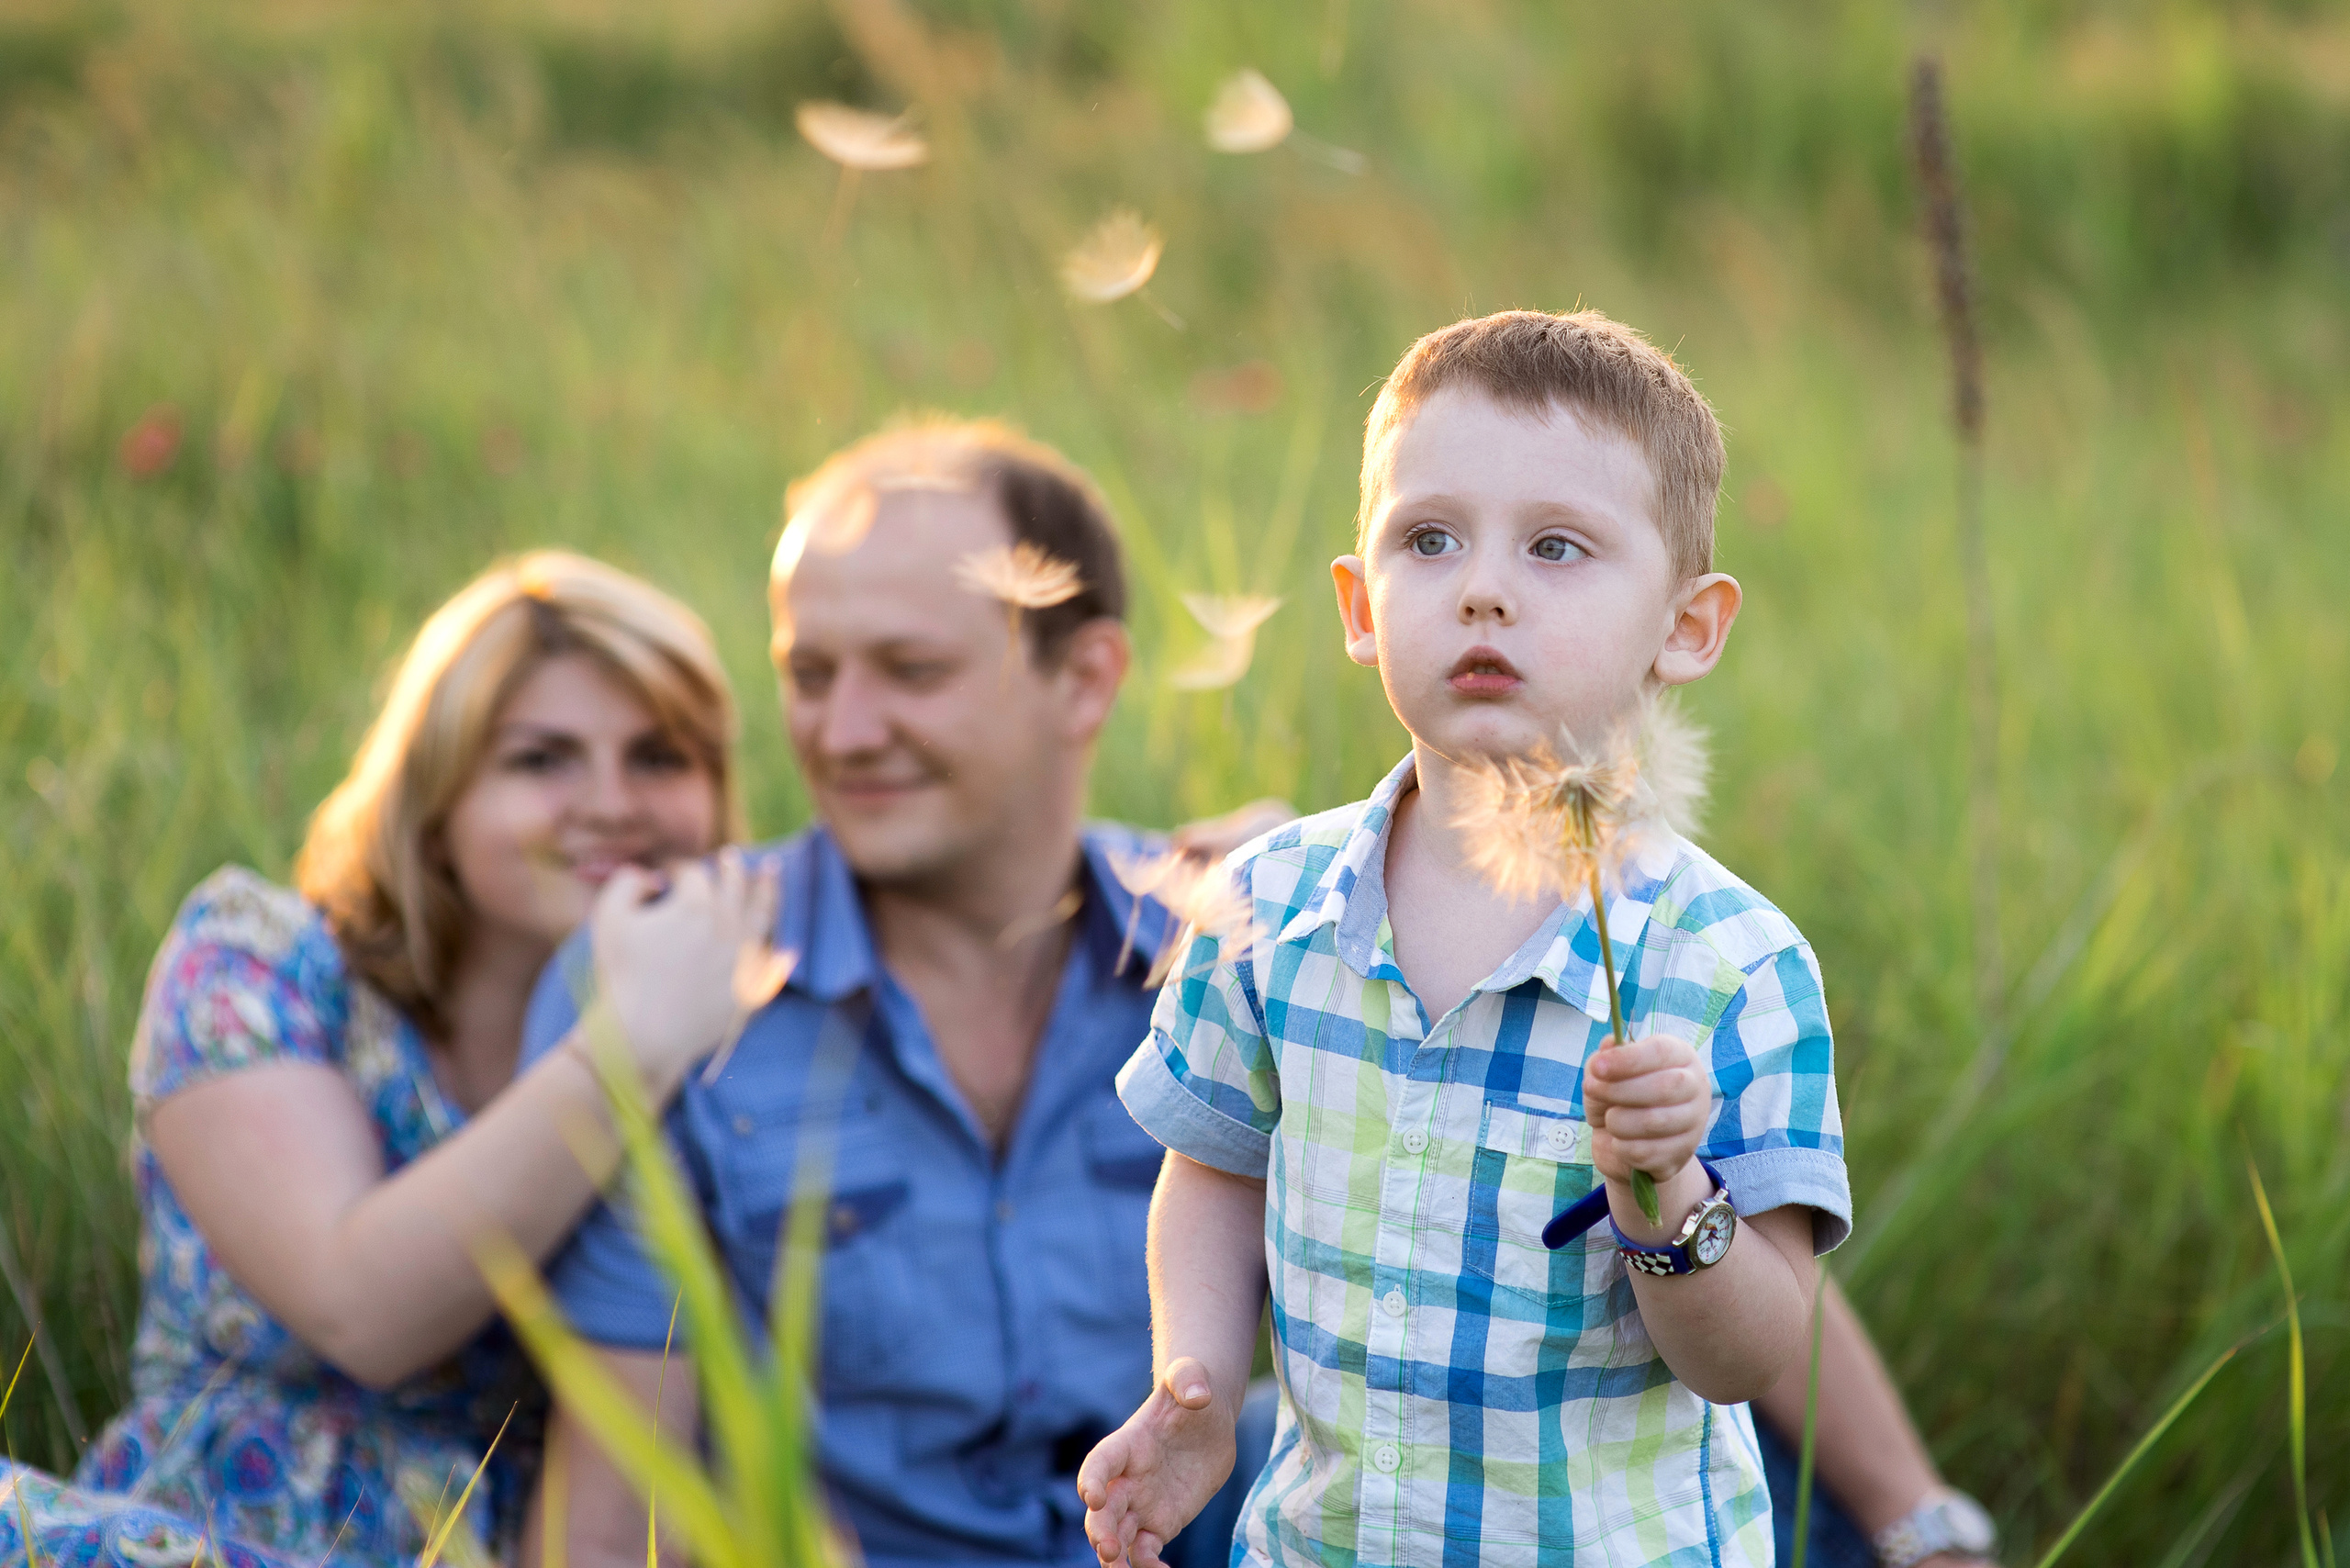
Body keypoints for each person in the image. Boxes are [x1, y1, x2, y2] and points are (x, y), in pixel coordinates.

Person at [1080, 309, 1851, 1568]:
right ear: (1360, 605)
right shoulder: (1269, 906)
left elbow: (1752, 1359)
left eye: (1557, 548)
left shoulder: (1728, 968)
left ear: (1688, 627)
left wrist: (1669, 1198)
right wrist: (1196, 1386)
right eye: (1429, 539)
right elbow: (1214, 1169)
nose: (1482, 585)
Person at [523, 420, 1288, 1568]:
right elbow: (621, 1514)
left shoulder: (1236, 948)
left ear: (1083, 679)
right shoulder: (666, 982)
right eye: (809, 676)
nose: (843, 732)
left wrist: (1340, 911)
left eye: (912, 672)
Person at [0, 554, 780, 1568]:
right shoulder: (262, 964)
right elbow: (359, 1309)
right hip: (210, 1536)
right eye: (541, 760)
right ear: (437, 796)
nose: (610, 802)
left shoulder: (741, 1049)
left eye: (660, 758)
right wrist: (630, 1041)